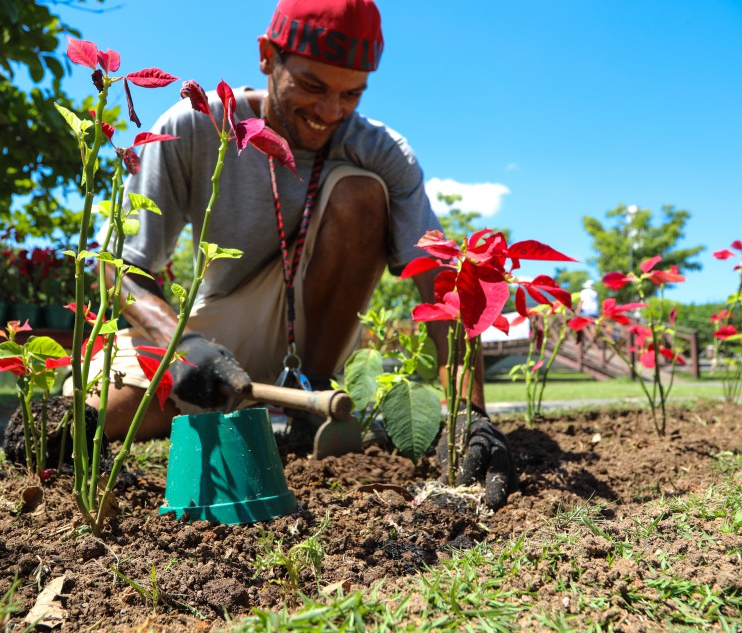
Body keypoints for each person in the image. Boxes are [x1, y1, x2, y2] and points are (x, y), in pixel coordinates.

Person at [77, 0, 515, 508]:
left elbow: (442, 285)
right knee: (112, 411)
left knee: (361, 193)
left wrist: (473, 416)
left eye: (351, 94)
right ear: (267, 57)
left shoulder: (381, 151)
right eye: (312, 86)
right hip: (216, 327)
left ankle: (312, 403)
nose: (331, 112)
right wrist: (184, 348)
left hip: (312, 331)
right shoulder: (195, 125)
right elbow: (118, 270)